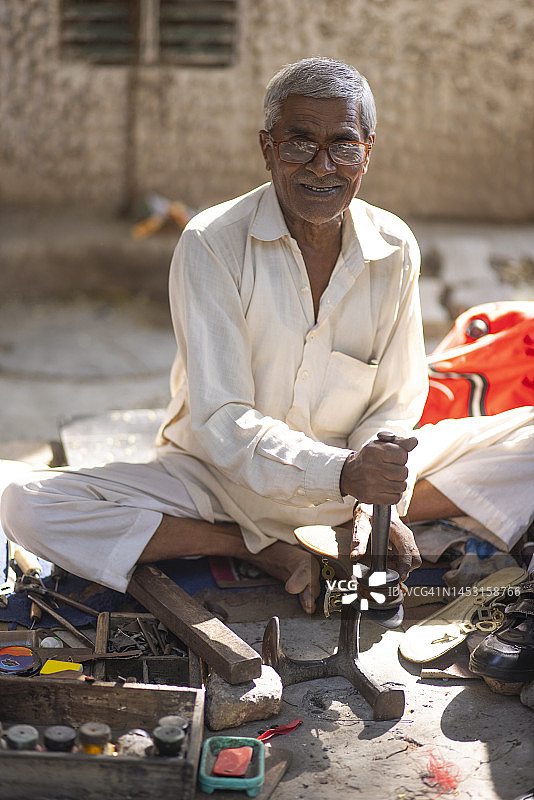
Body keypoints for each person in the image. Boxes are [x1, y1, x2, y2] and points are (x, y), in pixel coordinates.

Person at [2, 58, 534, 617]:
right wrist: (342, 474)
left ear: (367, 152)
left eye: (343, 146)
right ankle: (257, 549)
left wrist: (371, 506)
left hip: (347, 486)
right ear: (268, 148)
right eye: (300, 143)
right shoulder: (212, 242)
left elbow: (394, 403)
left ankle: (348, 532)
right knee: (24, 503)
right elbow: (223, 421)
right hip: (220, 487)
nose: (322, 167)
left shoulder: (394, 247)